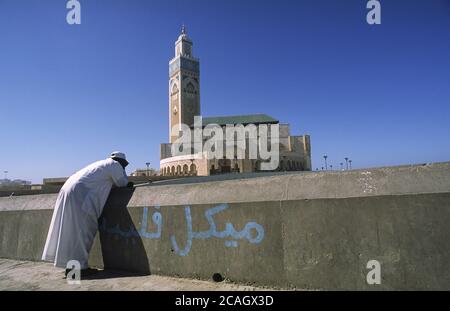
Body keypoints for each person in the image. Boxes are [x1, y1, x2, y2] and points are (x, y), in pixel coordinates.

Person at [41, 151, 133, 277]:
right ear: (121, 161)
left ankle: (71, 268)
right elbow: (122, 183)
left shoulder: (102, 164)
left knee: (71, 232)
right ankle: (78, 270)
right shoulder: (115, 165)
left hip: (68, 190)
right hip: (81, 195)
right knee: (82, 232)